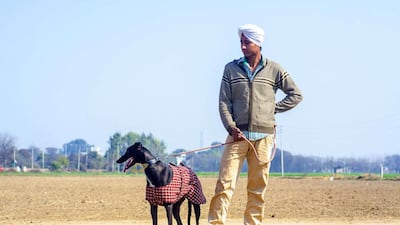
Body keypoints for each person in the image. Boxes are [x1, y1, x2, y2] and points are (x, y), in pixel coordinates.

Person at [208, 24, 303, 225]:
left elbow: (296, 95)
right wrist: (232, 128)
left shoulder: (275, 69)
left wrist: (272, 109)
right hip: (236, 136)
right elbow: (223, 102)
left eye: (247, 42)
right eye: (241, 42)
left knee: (257, 188)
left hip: (264, 139)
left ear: (258, 44)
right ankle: (216, 222)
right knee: (224, 184)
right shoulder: (230, 69)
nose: (242, 46)